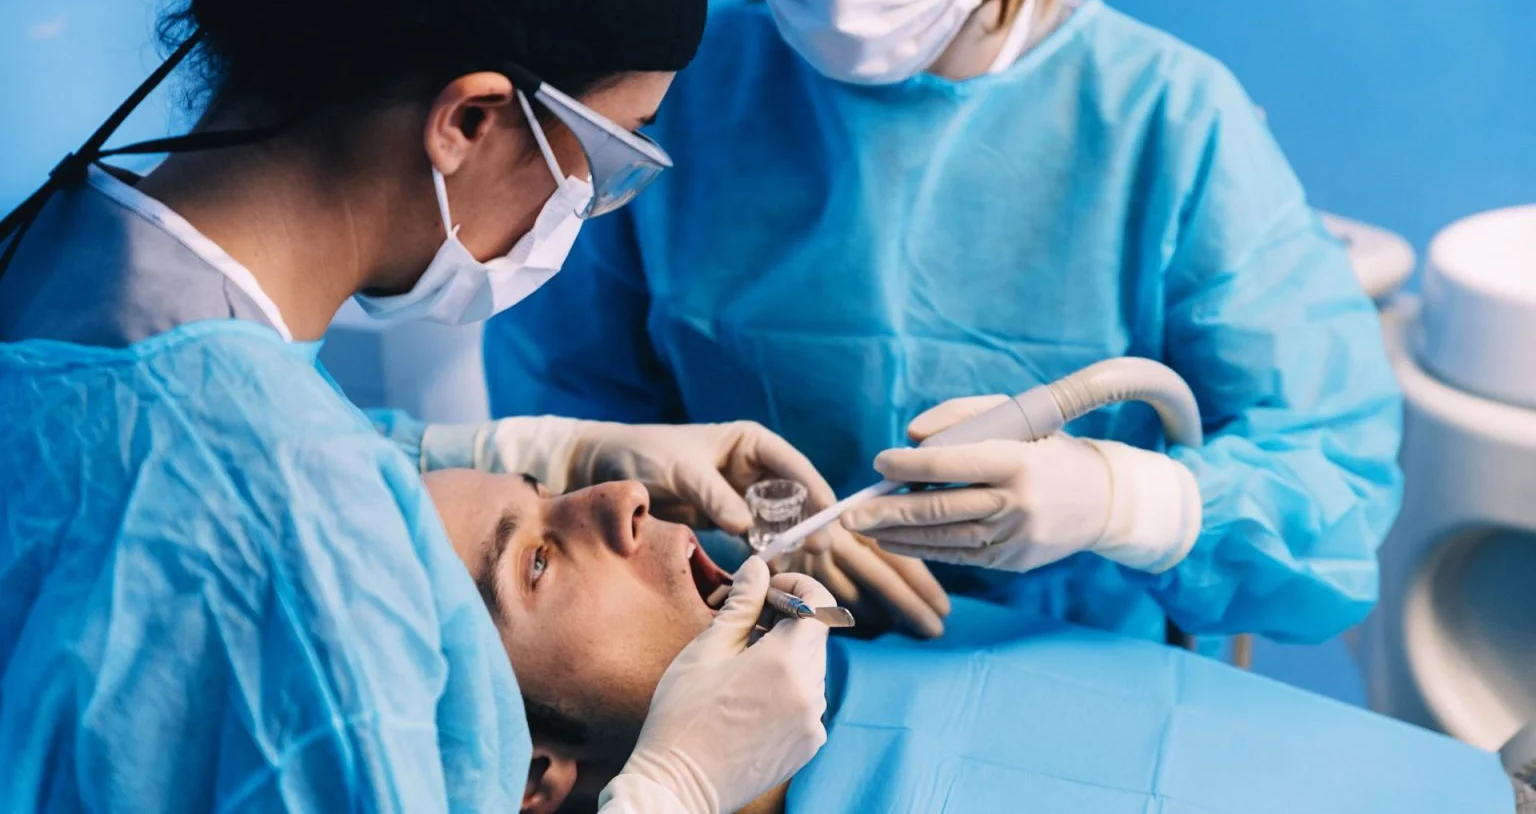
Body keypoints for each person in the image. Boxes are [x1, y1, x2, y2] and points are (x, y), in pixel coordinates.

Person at [0, 0, 832, 810]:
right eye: (604, 160)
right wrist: (672, 789)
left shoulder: (67, 251)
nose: (588, 208)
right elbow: (258, 506)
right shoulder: (302, 536)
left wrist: (538, 457)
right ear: (471, 120)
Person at [472, 0, 1405, 645]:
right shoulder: (676, 93)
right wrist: (737, 528)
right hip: (742, 649)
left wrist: (1122, 502)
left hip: (1075, 668)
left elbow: (1334, 478)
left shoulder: (1166, 119)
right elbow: (570, 420)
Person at [424, 469, 1528, 814]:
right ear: (532, 770)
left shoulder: (904, 637)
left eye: (552, 487)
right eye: (536, 562)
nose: (620, 497)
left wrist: (1130, 500)